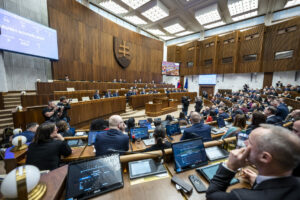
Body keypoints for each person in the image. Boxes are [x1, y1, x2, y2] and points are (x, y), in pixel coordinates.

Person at [206, 124, 300, 200]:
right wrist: (257, 182)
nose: (245, 143)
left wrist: (229, 166)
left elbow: (211, 195)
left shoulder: (241, 197)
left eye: (250, 141)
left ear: (264, 157)